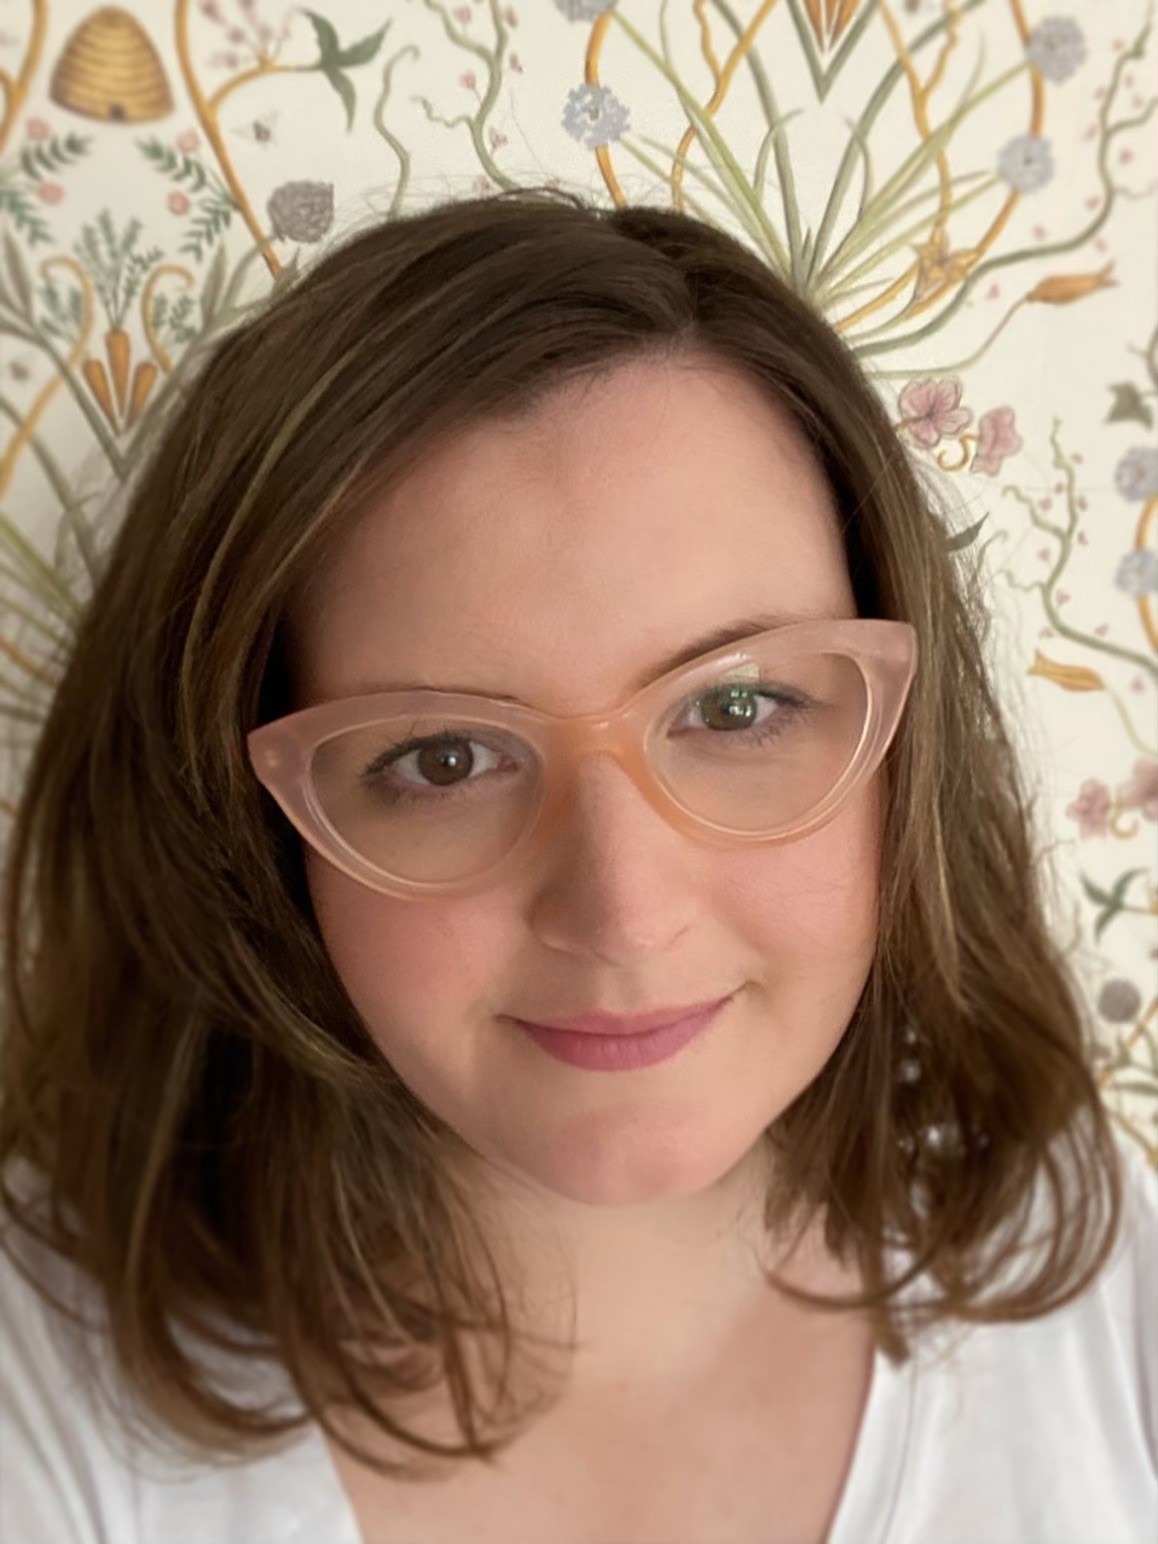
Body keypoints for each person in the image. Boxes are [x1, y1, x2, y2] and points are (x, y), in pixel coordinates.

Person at [0, 188, 1154, 1544]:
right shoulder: (43, 1380)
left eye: (735, 708)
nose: (623, 912)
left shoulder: (1081, 1269)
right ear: (252, 832)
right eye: (440, 758)